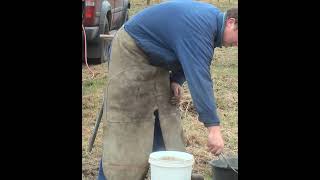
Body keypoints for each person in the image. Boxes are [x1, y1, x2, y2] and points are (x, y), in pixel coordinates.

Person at [99, 1, 238, 179]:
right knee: (128, 125)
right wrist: (213, 129)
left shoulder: (210, 26)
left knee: (167, 118)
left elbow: (185, 51)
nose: (237, 44)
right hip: (132, 51)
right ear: (231, 22)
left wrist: (177, 79)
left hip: (155, 59)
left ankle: (171, 173)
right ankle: (111, 176)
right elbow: (200, 78)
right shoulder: (201, 26)